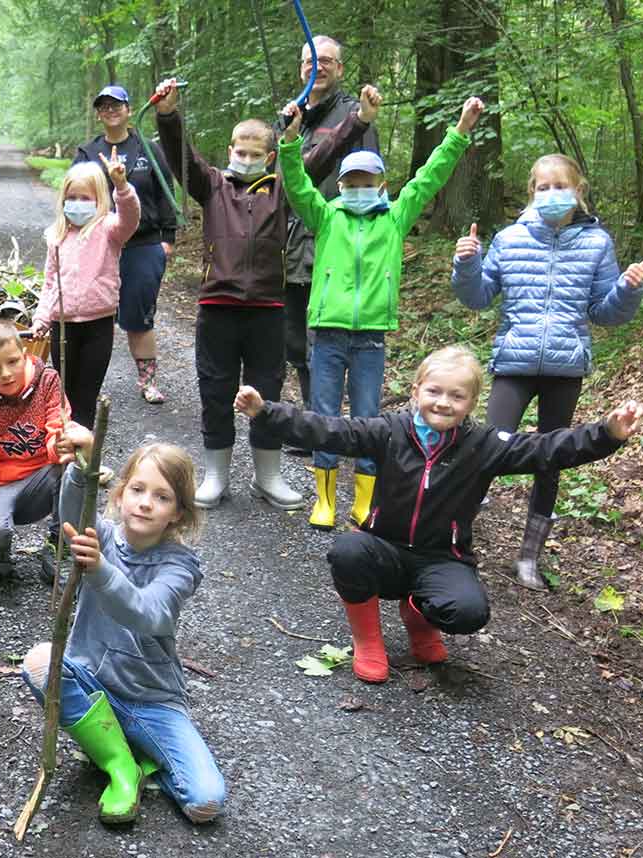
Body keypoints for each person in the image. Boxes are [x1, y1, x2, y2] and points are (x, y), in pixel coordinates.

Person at [235, 346, 643, 683]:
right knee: (348, 549)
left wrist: (606, 433)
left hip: (441, 557)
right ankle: (368, 641)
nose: (443, 402)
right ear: (416, 391)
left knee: (469, 612)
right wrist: (266, 412)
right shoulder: (389, 430)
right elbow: (328, 430)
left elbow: (547, 449)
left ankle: (418, 616)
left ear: (471, 403)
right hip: (384, 548)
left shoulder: (484, 444)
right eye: (434, 391)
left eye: (457, 396)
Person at [153, 78, 378, 511]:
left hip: (268, 309)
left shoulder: (283, 186)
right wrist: (168, 114)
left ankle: (267, 475)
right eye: (240, 151)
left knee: (268, 392)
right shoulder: (213, 184)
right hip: (217, 307)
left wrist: (360, 119)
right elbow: (181, 154)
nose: (247, 159)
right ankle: (216, 474)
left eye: (256, 154)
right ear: (230, 150)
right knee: (215, 389)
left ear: (270, 157)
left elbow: (322, 158)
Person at [279, 94, 482, 529]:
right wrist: (290, 142)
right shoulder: (327, 217)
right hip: (328, 333)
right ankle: (325, 500)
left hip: (371, 336)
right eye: (350, 183)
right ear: (341, 185)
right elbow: (295, 184)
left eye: (366, 182)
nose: (357, 190)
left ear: (382, 185)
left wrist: (460, 131)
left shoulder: (395, 217)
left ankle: (365, 500)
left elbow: (430, 177)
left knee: (370, 419)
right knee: (324, 415)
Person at [450, 154, 643, 588]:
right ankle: (454, 537)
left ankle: (528, 558)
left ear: (578, 192)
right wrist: (467, 264)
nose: (551, 193)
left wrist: (627, 290)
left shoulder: (597, 243)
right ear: (531, 193)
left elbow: (606, 313)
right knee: (486, 446)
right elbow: (479, 297)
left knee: (551, 458)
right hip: (514, 363)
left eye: (560, 186)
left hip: (566, 368)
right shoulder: (510, 238)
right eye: (542, 187)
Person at [19, 442, 225, 825]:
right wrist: (82, 467)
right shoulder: (103, 536)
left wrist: (100, 570)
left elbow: (149, 613)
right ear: (120, 492)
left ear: (178, 513)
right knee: (38, 661)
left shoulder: (181, 566)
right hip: (95, 687)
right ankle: (120, 765)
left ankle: (131, 744)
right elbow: (72, 516)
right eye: (138, 489)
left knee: (205, 803)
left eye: (162, 497)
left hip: (153, 701)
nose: (146, 503)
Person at [282, 37, 380, 453]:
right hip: (287, 241)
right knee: (294, 339)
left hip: (333, 243)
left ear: (339, 68)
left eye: (325, 61)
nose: (315, 67)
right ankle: (314, 423)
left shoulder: (356, 116)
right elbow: (281, 177)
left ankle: (339, 431)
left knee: (322, 336)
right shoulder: (291, 114)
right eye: (308, 61)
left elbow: (372, 180)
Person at [0, 318, 86, 578]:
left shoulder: (48, 382)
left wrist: (60, 443)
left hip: (41, 479)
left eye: (12, 361)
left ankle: (59, 543)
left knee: (74, 465)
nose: (5, 373)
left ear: (25, 355)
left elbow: (55, 430)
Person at [73, 84, 178, 404]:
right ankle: (90, 381)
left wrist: (167, 238)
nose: (110, 110)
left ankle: (147, 381)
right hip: (100, 245)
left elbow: (165, 191)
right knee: (95, 313)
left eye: (116, 105)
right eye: (104, 106)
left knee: (139, 315)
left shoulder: (148, 148)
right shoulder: (88, 153)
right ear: (98, 114)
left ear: (128, 109)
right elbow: (74, 195)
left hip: (144, 243)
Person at [29, 151, 139, 429]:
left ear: (99, 199)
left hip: (98, 325)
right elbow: (50, 281)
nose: (78, 204)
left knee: (87, 393)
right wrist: (42, 318)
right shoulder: (56, 235)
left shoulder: (109, 229)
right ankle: (63, 447)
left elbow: (131, 218)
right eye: (72, 198)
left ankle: (82, 454)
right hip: (62, 326)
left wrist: (122, 186)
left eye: (85, 198)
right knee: (64, 392)